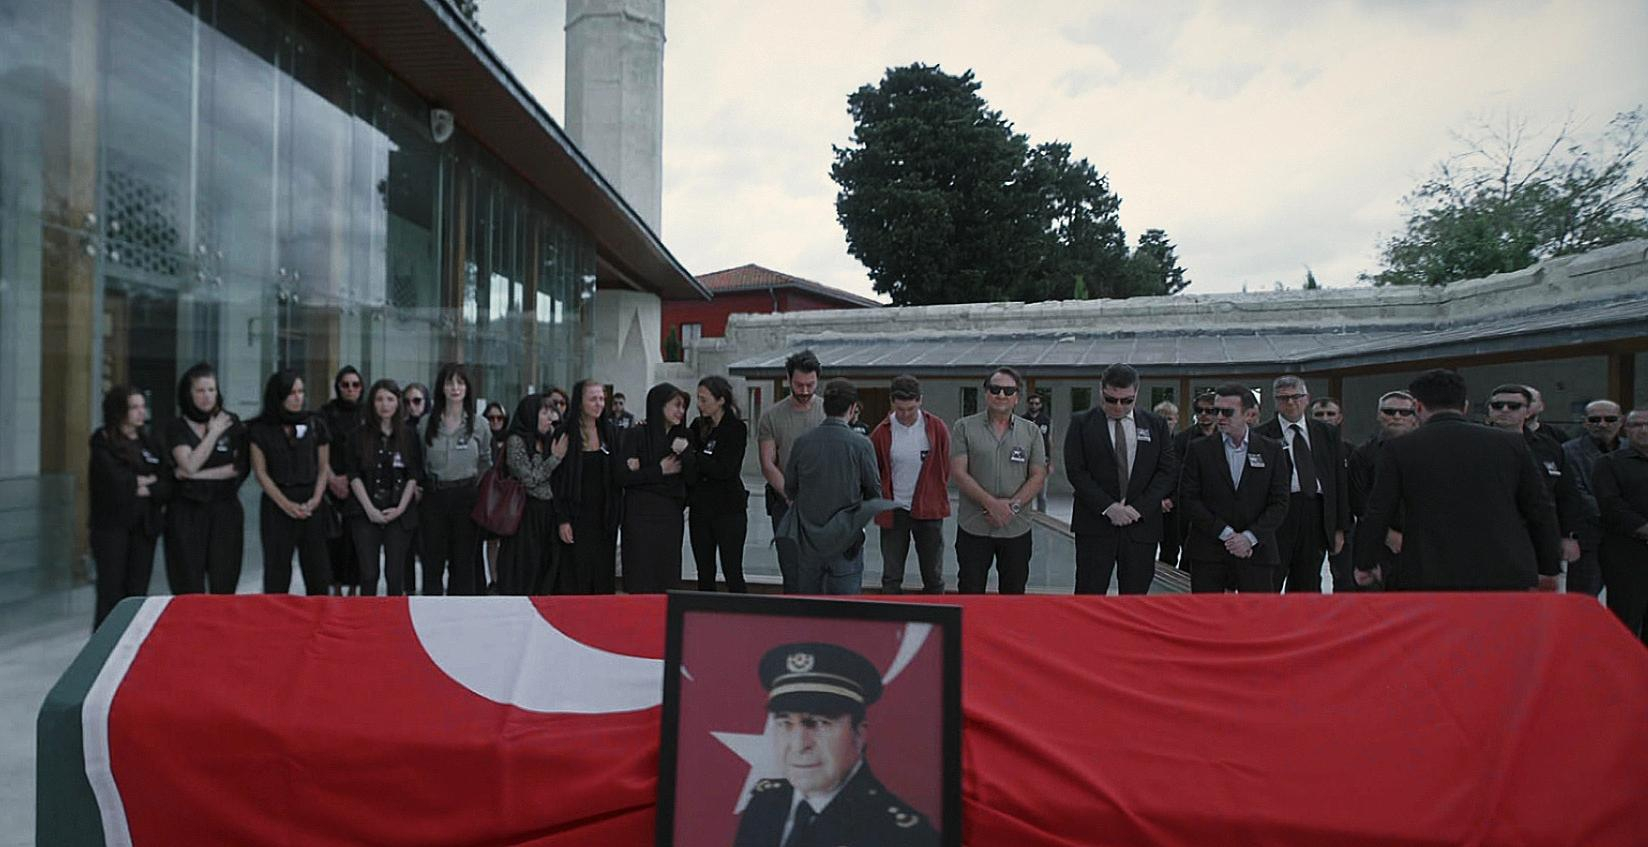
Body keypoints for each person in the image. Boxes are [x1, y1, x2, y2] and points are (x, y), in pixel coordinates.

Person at [1354, 369, 1561, 591]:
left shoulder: (1399, 449)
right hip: (1503, 566)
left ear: (1418, 407)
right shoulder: (1510, 444)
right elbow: (1539, 507)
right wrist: (1549, 566)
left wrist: (1365, 562)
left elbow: (1379, 509)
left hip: (1429, 568)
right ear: (1465, 406)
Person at [733, 642, 938, 847]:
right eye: (785, 723)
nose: (798, 745)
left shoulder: (902, 836)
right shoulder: (765, 803)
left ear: (859, 734)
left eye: (820, 723)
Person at [1065, 364, 1177, 595]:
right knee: (1089, 594)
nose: (1118, 406)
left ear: (1136, 393)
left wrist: (1138, 509)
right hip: (1095, 525)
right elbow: (1077, 472)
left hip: (1141, 527)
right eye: (1111, 399)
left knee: (1135, 598)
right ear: (1101, 390)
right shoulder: (1081, 423)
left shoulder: (1155, 424)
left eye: (1127, 401)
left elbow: (1166, 472)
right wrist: (1109, 507)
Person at [777, 379, 893, 594]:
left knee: (809, 603)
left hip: (809, 539)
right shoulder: (861, 444)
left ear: (825, 407)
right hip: (846, 538)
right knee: (845, 607)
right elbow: (874, 492)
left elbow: (790, 487)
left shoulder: (803, 442)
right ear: (852, 408)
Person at [1179, 383, 1291, 593]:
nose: (1219, 417)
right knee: (1208, 612)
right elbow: (1188, 498)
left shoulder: (1271, 450)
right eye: (1216, 411)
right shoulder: (1198, 449)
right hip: (1209, 551)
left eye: (1227, 412)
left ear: (1248, 414)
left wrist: (1249, 538)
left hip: (1257, 551)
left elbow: (1280, 502)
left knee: (1256, 612)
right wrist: (1227, 535)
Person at [950, 368, 1047, 594]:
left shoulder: (1031, 431)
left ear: (1017, 397)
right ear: (986, 393)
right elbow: (958, 473)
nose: (1001, 395)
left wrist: (1011, 508)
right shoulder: (963, 427)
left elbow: (1038, 476)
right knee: (970, 592)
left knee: (1013, 595)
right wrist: (991, 504)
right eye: (995, 389)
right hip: (974, 526)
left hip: (1016, 528)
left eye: (1008, 390)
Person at [1256, 375, 1349, 593]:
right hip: (1278, 514)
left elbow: (1338, 481)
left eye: (1296, 397)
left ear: (1306, 399)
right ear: (1275, 401)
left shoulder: (1327, 433)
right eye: (1283, 398)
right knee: (1269, 579)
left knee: (1308, 582)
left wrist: (1339, 528)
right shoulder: (1261, 435)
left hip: (1314, 512)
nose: (1290, 403)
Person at [1485, 384, 1588, 580]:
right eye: (1497, 405)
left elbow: (1567, 494)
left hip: (1540, 537)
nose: (1504, 410)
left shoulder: (1548, 446)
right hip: (1490, 537)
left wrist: (1569, 536)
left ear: (1528, 411)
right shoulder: (1474, 445)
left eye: (1513, 406)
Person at [163, 362, 248, 595]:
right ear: (188, 394)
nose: (207, 396)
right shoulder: (177, 427)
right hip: (187, 511)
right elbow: (188, 464)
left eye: (211, 390)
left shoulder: (231, 422)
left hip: (225, 510)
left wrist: (195, 475)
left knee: (224, 581)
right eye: (200, 390)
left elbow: (236, 468)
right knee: (188, 583)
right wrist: (213, 433)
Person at [88, 386, 171, 628]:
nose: (140, 412)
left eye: (142, 407)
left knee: (137, 590)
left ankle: (131, 639)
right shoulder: (103, 440)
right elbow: (114, 482)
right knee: (111, 590)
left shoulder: (149, 441)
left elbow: (166, 482)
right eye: (134, 407)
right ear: (119, 410)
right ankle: (106, 642)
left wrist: (144, 486)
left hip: (144, 526)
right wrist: (143, 481)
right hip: (112, 527)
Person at [248, 369, 333, 595]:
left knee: (318, 571)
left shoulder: (315, 424)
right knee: (276, 572)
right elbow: (261, 473)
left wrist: (315, 499)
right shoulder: (260, 429)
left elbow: (323, 467)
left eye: (301, 392)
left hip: (311, 501)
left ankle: (319, 614)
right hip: (278, 503)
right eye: (291, 393)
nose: (298, 398)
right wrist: (286, 505)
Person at [870, 375, 951, 594]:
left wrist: (934, 492)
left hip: (929, 509)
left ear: (920, 401)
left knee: (933, 575)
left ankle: (936, 612)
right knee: (891, 575)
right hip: (895, 510)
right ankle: (891, 611)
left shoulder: (936, 428)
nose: (905, 414)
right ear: (892, 403)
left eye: (911, 409)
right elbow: (875, 470)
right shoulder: (881, 432)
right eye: (900, 409)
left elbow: (945, 466)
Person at [346, 379, 423, 596]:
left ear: (398, 402)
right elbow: (353, 475)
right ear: (372, 403)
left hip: (399, 510)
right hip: (365, 509)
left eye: (390, 399)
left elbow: (413, 475)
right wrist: (370, 509)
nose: (385, 405)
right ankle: (367, 616)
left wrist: (400, 508)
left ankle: (393, 617)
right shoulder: (357, 435)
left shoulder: (409, 435)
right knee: (369, 574)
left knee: (395, 574)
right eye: (379, 399)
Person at [757, 350, 825, 592]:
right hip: (785, 502)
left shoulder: (828, 412)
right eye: (799, 385)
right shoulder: (772, 417)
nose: (805, 391)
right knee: (792, 570)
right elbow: (768, 464)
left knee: (822, 570)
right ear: (788, 379)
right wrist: (790, 494)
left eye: (810, 385)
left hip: (823, 504)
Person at [420, 362, 490, 595]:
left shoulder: (479, 424)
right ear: (442, 387)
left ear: (467, 388)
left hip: (466, 497)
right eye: (450, 383)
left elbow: (485, 461)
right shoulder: (426, 423)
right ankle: (431, 610)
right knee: (433, 561)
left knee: (463, 562)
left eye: (460, 383)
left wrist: (474, 487)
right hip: (435, 496)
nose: (455, 388)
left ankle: (460, 612)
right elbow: (421, 458)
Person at [618, 382, 695, 593]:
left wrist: (686, 454)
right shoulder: (637, 434)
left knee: (666, 573)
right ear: (660, 405)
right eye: (676, 405)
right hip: (639, 514)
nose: (681, 411)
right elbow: (623, 476)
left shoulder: (684, 437)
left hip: (669, 514)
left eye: (683, 406)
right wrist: (658, 471)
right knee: (640, 571)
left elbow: (691, 478)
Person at [552, 379, 622, 593]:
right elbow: (557, 481)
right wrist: (563, 519)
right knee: (576, 576)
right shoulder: (565, 433)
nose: (598, 404)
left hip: (604, 518)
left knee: (602, 577)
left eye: (601, 399)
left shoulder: (610, 432)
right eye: (593, 399)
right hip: (576, 517)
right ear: (580, 402)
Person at [1345, 391, 1419, 588]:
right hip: (1376, 542)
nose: (1397, 416)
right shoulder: (1362, 454)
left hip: (1421, 540)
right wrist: (1387, 535)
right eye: (1389, 411)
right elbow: (1359, 502)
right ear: (1379, 415)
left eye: (1405, 412)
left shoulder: (1429, 451)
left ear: (1415, 416)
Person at [498, 393, 567, 595]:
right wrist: (554, 459)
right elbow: (528, 479)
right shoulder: (516, 441)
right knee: (523, 569)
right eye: (544, 413)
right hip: (524, 514)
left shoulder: (549, 440)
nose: (549, 418)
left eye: (551, 412)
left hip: (548, 514)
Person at [688, 376, 750, 593]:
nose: (699, 404)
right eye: (698, 399)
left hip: (728, 509)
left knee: (732, 569)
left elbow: (725, 469)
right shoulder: (697, 426)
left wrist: (696, 456)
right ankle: (705, 610)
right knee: (704, 571)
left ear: (721, 400)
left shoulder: (736, 429)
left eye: (704, 399)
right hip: (701, 509)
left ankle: (740, 611)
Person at [1591, 409, 1648, 642]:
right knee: (1625, 621)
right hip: (1626, 553)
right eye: (1636, 425)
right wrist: (1643, 528)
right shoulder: (1608, 463)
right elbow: (1610, 505)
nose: (1643, 430)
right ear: (1625, 429)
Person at [1562, 399, 1623, 597]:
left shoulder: (1633, 450)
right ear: (1585, 422)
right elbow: (1575, 491)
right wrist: (1616, 514)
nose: (1602, 424)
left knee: (1628, 601)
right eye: (1595, 419)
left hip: (1628, 538)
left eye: (1609, 419)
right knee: (1582, 600)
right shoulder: (1568, 451)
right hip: (1589, 538)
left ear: (1621, 421)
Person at [1160, 392, 1218, 570]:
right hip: (1184, 505)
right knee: (1173, 551)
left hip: (1216, 506)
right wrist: (1170, 499)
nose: (1204, 415)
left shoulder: (1226, 437)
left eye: (1209, 411)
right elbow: (1174, 472)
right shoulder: (1183, 439)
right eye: (1199, 410)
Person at [321, 366, 366, 595]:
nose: (350, 389)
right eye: (345, 385)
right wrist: (331, 478)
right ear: (338, 387)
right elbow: (319, 447)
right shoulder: (326, 413)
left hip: (359, 484)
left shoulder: (368, 413)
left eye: (355, 385)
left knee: (357, 540)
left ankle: (354, 588)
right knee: (333, 540)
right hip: (330, 483)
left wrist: (352, 478)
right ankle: (336, 587)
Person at [400, 381, 430, 594]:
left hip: (431, 493)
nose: (412, 406)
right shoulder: (402, 428)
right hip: (406, 493)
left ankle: (429, 593)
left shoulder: (433, 425)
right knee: (406, 548)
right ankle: (408, 591)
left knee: (428, 549)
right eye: (407, 401)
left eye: (417, 401)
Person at [481, 400, 510, 591]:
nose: (495, 421)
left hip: (508, 495)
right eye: (491, 418)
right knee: (491, 540)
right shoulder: (484, 436)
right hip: (488, 494)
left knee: (506, 540)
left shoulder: (511, 438)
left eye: (499, 418)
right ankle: (494, 578)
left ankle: (505, 577)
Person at [1024, 392, 1053, 513]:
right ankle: (1026, 516)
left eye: (1036, 403)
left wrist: (1050, 462)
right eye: (1031, 403)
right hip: (1025, 460)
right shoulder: (1022, 420)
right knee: (1026, 493)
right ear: (1028, 404)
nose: (1034, 406)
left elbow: (1049, 440)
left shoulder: (1046, 420)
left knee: (1042, 494)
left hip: (1042, 460)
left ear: (1040, 405)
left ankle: (1042, 517)